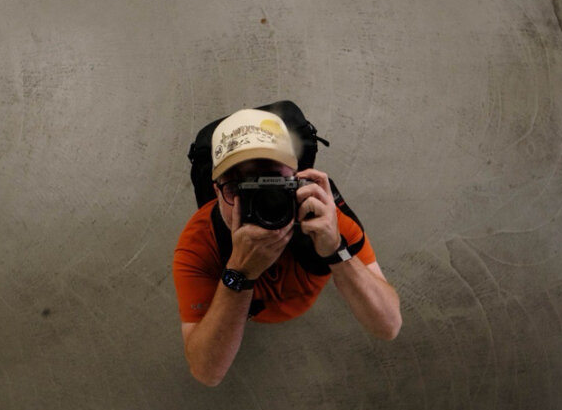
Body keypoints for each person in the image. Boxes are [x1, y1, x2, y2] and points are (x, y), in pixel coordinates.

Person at [172, 109, 401, 386]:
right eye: (238, 187)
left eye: (273, 182)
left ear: (297, 177)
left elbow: (388, 326)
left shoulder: (323, 216)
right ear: (216, 190)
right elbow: (207, 372)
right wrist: (239, 273)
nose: (261, 200)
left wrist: (336, 249)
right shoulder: (199, 242)